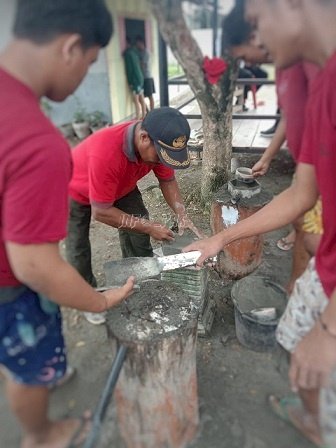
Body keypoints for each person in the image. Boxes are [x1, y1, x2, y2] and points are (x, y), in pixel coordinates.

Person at [186, 0, 336, 446]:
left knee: (316, 359)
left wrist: (328, 330)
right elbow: (300, 193)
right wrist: (220, 238)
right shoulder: (323, 83)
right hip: (325, 270)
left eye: (255, 23)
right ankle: (314, 419)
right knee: (293, 339)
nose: (258, 40)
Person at [0, 1, 135, 447]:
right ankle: (41, 434)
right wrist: (100, 302)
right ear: (71, 47)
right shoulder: (38, 142)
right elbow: (35, 267)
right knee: (29, 368)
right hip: (9, 289)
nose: (85, 75)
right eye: (92, 62)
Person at [67, 106, 203, 325]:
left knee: (138, 225)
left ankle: (140, 275)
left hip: (121, 185)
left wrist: (182, 214)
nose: (162, 163)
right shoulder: (106, 152)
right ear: (143, 138)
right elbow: (101, 212)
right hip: (76, 190)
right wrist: (148, 227)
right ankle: (88, 298)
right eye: (160, 157)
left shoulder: (156, 147)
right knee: (78, 246)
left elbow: (167, 180)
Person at [123, 36, 147, 120]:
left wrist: (130, 81)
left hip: (135, 79)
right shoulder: (135, 51)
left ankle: (137, 118)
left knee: (136, 99)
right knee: (141, 97)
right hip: (140, 77)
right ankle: (144, 115)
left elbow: (129, 69)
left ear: (127, 43)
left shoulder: (128, 54)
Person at [135, 35, 156, 111]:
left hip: (147, 77)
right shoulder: (138, 52)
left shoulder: (146, 53)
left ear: (141, 43)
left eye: (137, 43)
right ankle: (147, 111)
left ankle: (152, 112)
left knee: (150, 96)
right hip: (141, 78)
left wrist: (136, 63)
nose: (137, 45)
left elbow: (142, 65)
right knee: (141, 97)